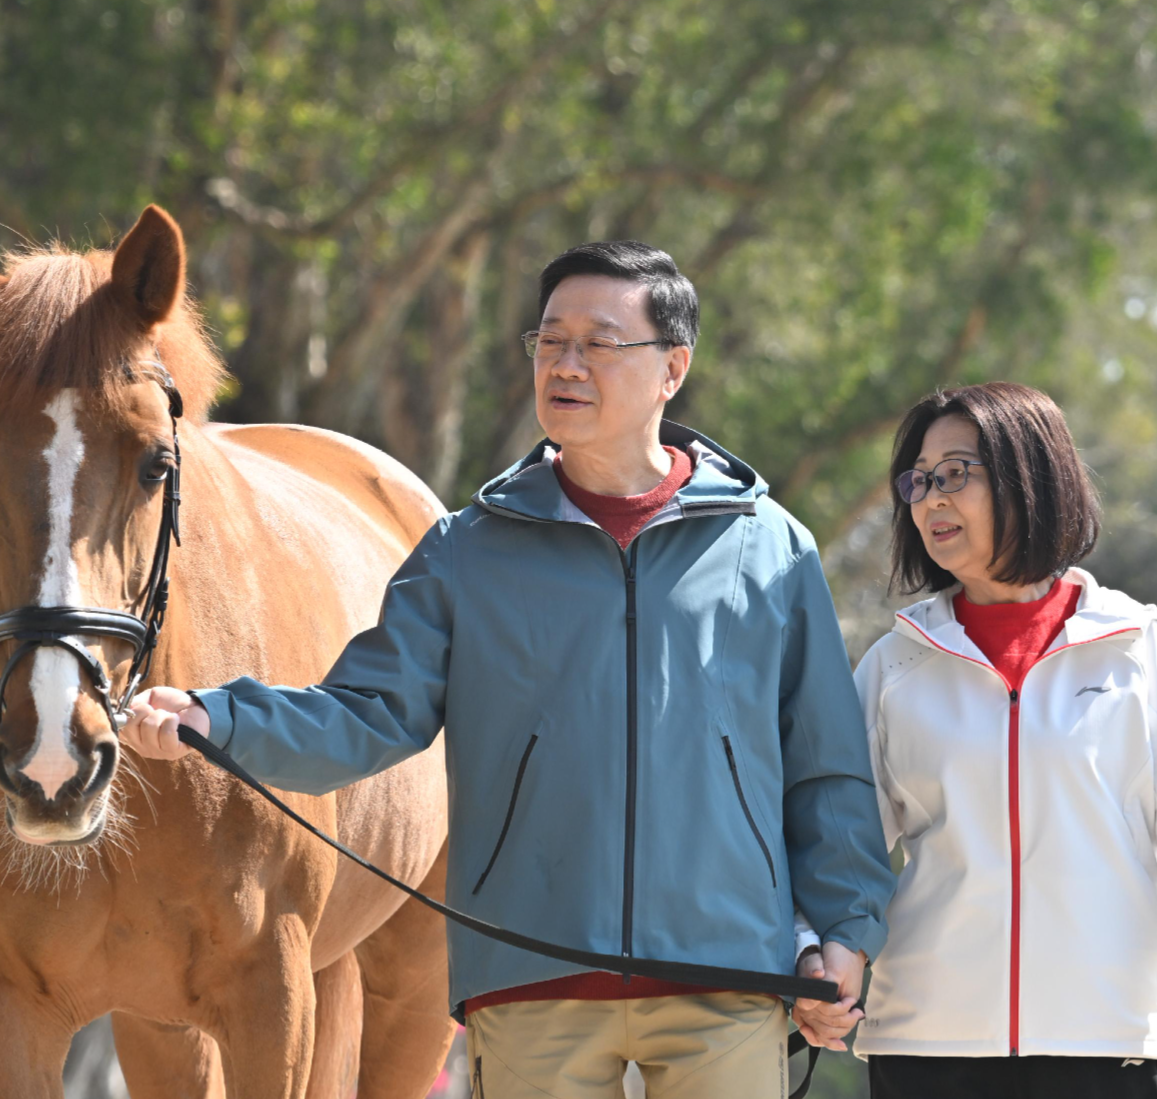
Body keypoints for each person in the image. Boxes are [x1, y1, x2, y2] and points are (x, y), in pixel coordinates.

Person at [120, 240, 895, 1098]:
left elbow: (824, 765)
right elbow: (368, 712)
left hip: (726, 975)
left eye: (598, 343)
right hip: (532, 975)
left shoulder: (770, 549)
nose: (565, 364)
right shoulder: (465, 551)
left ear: (672, 367)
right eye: (549, 341)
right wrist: (216, 719)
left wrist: (845, 928)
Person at [817, 382, 1157, 1099]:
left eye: (955, 472)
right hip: (929, 1042)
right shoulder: (896, 664)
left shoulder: (1135, 649)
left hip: (1105, 1041)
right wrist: (817, 956)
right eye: (918, 480)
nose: (930, 499)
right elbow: (840, 842)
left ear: (1030, 478)